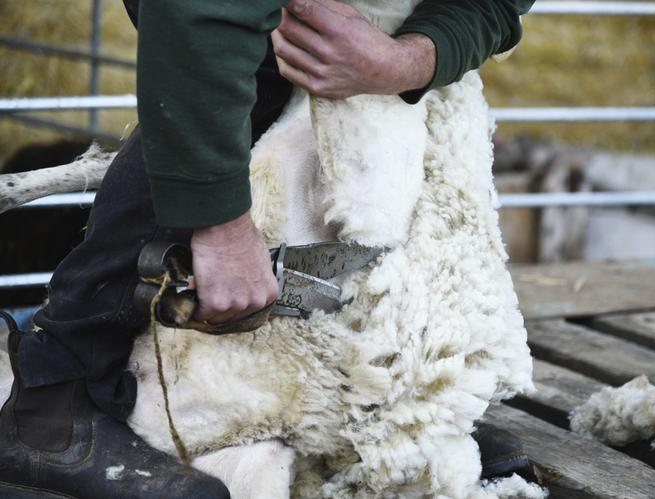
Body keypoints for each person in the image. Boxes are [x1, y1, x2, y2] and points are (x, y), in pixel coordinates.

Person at [0, 0, 534, 497]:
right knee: (253, 63)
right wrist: (221, 227)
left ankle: (383, 405)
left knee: (400, 129)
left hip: (382, 52)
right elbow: (200, 13)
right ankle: (56, 397)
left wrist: (415, 57)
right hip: (234, 19)